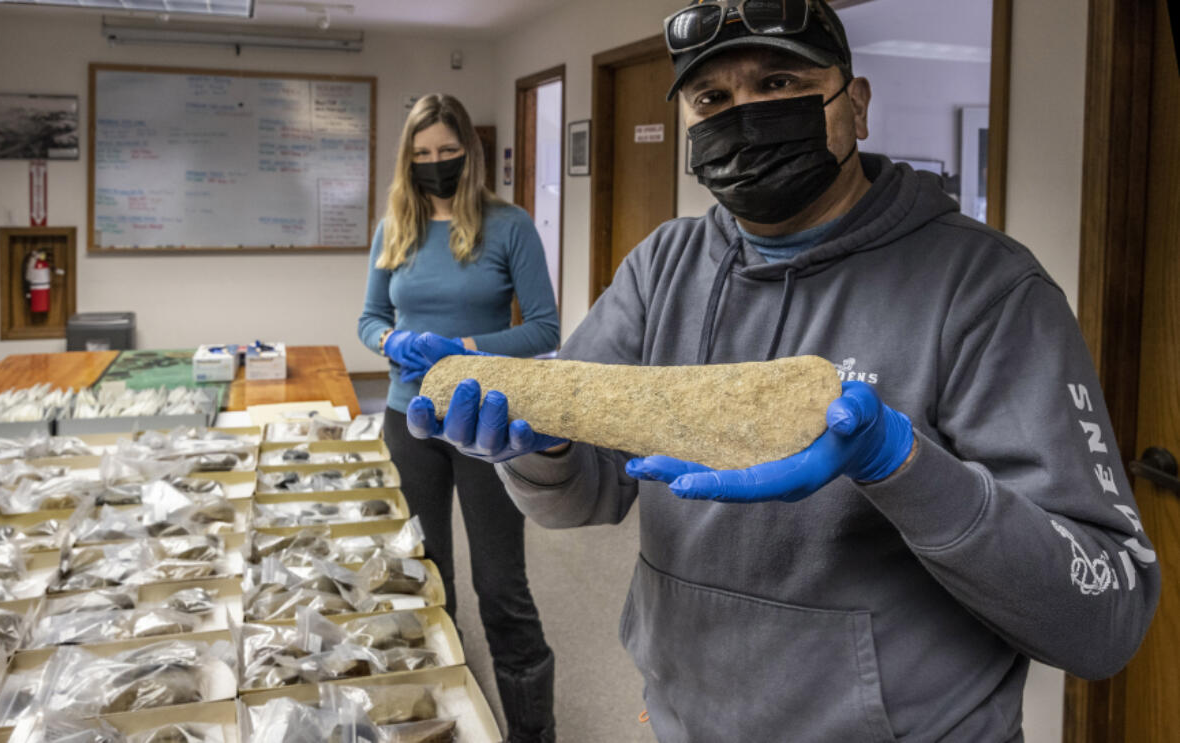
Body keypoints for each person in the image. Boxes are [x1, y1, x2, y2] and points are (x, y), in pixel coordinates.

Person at [400, 2, 1161, 741]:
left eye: (778, 84)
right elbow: (588, 496)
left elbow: (1104, 620)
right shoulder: (663, 265)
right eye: (712, 97)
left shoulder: (988, 290)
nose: (744, 114)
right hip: (686, 719)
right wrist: (537, 448)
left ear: (854, 103)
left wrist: (903, 466)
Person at [357, 93, 559, 743]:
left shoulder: (510, 225)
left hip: (484, 423)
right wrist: (391, 343)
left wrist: (464, 349)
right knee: (427, 581)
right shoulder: (394, 225)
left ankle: (532, 733)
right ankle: (447, 724)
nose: (435, 164)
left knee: (501, 588)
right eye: (421, 155)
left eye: (446, 151)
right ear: (406, 160)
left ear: (468, 152)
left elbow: (545, 329)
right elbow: (370, 319)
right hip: (407, 418)